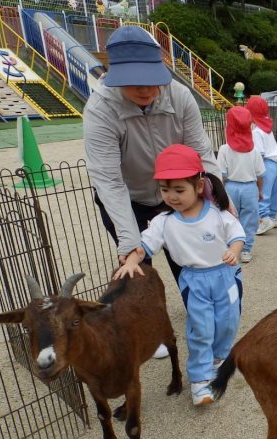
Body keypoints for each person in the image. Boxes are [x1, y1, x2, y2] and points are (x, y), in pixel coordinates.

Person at [83, 25, 222, 359]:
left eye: (151, 78)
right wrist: (130, 242)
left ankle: (203, 317)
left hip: (176, 193)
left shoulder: (179, 95)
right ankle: (151, 331)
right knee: (139, 268)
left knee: (188, 257)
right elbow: (109, 180)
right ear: (114, 74)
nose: (145, 88)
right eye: (133, 80)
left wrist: (219, 201)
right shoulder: (99, 109)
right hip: (126, 196)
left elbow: (201, 152)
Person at [113, 144, 245, 406]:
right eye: (165, 189)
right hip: (194, 281)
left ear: (198, 186)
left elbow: (237, 235)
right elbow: (144, 246)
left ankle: (219, 358)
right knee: (201, 329)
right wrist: (131, 260)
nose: (171, 196)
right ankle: (199, 380)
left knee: (228, 323)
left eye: (178, 189)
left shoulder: (218, 213)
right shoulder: (164, 221)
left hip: (226, 277)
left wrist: (234, 250)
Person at [216, 106, 265, 263]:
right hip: (250, 187)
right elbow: (260, 175)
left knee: (228, 218)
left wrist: (220, 193)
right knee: (250, 220)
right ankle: (246, 249)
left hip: (230, 187)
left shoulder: (224, 149)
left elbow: (221, 175)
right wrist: (259, 191)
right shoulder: (254, 151)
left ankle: (229, 247)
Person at [246, 96, 277, 236]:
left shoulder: (256, 131)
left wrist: (257, 171)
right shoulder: (267, 126)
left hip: (267, 163)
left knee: (263, 193)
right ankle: (272, 216)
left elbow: (260, 153)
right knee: (275, 192)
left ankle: (264, 218)